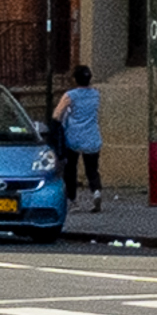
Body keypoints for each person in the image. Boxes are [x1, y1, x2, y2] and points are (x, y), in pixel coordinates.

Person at [53, 66, 103, 210]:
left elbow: (57, 115)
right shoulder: (95, 94)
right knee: (92, 169)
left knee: (70, 170)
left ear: (75, 79)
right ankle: (96, 191)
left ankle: (72, 199)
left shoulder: (70, 95)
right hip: (92, 136)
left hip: (73, 137)